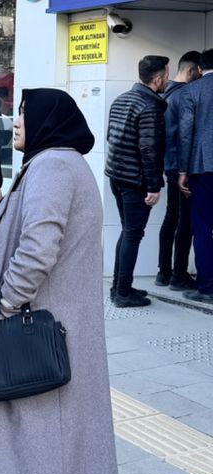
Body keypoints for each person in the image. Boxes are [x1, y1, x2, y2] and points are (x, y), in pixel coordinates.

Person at [0, 88, 121, 474]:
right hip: (57, 322)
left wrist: (3, 305)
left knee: (39, 440)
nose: (16, 121)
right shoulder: (62, 164)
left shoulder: (52, 166)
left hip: (37, 328)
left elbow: (37, 250)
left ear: (47, 120)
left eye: (24, 113)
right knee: (56, 440)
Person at [106, 55, 169, 307]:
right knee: (133, 234)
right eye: (166, 75)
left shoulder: (121, 100)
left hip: (117, 176)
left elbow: (111, 137)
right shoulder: (150, 107)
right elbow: (149, 149)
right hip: (135, 181)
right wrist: (153, 186)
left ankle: (120, 287)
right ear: (158, 79)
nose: (167, 80)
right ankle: (122, 293)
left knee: (128, 232)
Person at [158, 50, 201, 290]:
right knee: (185, 220)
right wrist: (185, 169)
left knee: (171, 217)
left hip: (168, 164)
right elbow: (185, 134)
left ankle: (164, 272)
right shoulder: (185, 95)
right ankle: (179, 275)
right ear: (192, 70)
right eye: (199, 72)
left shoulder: (164, 93)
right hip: (181, 165)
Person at [178, 48, 213, 304]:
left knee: (202, 227)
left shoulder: (192, 91)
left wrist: (183, 170)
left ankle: (207, 287)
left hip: (202, 167)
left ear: (200, 69)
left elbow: (185, 134)